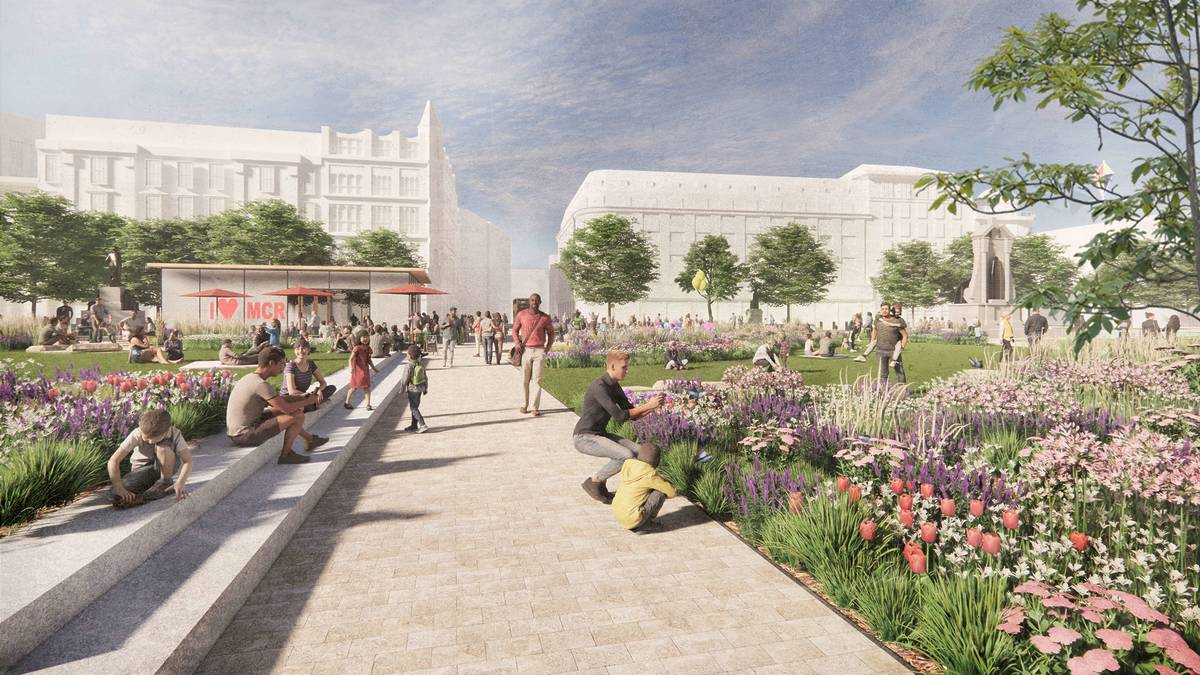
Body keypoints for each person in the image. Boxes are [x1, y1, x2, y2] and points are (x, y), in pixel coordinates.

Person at [573, 350, 665, 503]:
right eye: (624, 367)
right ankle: (595, 481)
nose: (627, 370)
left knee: (639, 452)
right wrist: (649, 405)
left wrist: (653, 407)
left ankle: (636, 488)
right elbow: (620, 416)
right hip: (584, 437)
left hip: (600, 434)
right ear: (613, 366)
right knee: (625, 455)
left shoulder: (615, 386)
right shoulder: (599, 387)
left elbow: (631, 414)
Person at [226, 347, 327, 463]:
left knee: (296, 413)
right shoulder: (260, 384)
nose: (283, 367)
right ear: (271, 363)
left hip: (243, 426)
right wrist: (308, 401)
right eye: (281, 364)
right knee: (296, 416)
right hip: (244, 434)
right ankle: (286, 455)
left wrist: (301, 397)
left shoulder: (251, 378)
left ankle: (310, 440)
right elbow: (285, 408)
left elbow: (279, 401)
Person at [108, 408, 192, 508]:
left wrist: (181, 482)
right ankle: (148, 493)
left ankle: (165, 483)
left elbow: (188, 461)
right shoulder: (137, 433)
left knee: (163, 447)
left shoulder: (175, 433)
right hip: (142, 471)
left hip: (167, 467)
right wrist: (119, 487)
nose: (146, 440)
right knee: (114, 493)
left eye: (149, 439)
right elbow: (113, 460)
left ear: (165, 432)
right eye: (144, 437)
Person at [611, 444, 676, 533]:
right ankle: (644, 525)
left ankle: (636, 522)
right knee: (659, 493)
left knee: (643, 490)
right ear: (657, 461)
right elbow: (672, 492)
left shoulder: (630, 467)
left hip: (618, 514)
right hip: (632, 519)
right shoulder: (649, 475)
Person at [512, 292, 555, 416]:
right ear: (529, 302)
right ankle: (524, 404)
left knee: (537, 380)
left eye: (536, 300)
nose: (534, 302)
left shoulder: (545, 318)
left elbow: (551, 333)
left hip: (539, 351)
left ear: (540, 302)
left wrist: (547, 348)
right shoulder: (521, 315)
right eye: (532, 300)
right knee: (524, 380)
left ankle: (535, 407)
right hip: (526, 350)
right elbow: (515, 330)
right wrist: (517, 342)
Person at [281, 342, 336, 411]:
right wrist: (311, 396)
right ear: (294, 351)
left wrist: (318, 390)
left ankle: (311, 404)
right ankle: (311, 404)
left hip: (304, 396)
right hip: (289, 397)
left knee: (331, 388)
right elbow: (292, 391)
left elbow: (323, 382)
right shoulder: (291, 366)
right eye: (297, 349)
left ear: (308, 350)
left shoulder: (311, 364)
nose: (300, 351)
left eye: (303, 348)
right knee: (299, 406)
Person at [872, 303, 908, 383]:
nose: (884, 311)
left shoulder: (896, 321)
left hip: (894, 351)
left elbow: (905, 335)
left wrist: (902, 347)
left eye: (886, 309)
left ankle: (904, 392)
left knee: (900, 373)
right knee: (883, 374)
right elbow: (874, 331)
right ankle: (884, 393)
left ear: (889, 310)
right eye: (883, 309)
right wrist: (872, 341)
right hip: (880, 351)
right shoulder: (877, 320)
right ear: (880, 310)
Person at [344, 333, 380, 411]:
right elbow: (351, 359)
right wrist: (350, 367)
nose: (365, 339)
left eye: (367, 337)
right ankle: (347, 402)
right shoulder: (356, 348)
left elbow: (369, 360)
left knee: (367, 387)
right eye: (363, 337)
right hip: (357, 370)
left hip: (365, 370)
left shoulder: (368, 348)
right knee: (353, 387)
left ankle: (368, 404)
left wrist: (374, 368)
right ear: (359, 338)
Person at [400, 344, 429, 432]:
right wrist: (425, 388)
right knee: (415, 406)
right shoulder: (420, 364)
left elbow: (404, 379)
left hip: (412, 390)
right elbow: (425, 377)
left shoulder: (408, 366)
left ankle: (423, 425)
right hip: (420, 389)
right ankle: (414, 425)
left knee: (413, 408)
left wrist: (401, 390)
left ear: (409, 355)